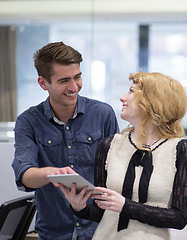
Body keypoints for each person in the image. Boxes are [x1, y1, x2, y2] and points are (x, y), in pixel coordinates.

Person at [57, 72, 187, 240]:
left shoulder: (182, 149)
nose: (123, 98)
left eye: (131, 91)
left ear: (153, 100)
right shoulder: (109, 145)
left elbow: (179, 218)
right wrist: (79, 207)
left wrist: (126, 206)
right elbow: (101, 212)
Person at [11, 42, 119, 239]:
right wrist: (54, 173)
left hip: (99, 230)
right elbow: (24, 175)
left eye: (77, 77)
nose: (73, 87)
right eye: (64, 81)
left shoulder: (103, 114)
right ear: (43, 83)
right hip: (54, 231)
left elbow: (117, 172)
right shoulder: (28, 122)